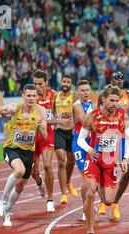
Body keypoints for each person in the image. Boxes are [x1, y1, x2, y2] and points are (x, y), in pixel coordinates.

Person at [0, 84, 47, 227]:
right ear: (23, 96)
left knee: (20, 186)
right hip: (11, 148)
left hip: (28, 151)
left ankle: (8, 209)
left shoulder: (41, 111)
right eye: (28, 95)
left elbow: (44, 136)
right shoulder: (15, 108)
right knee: (20, 170)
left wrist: (40, 127)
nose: (31, 98)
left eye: (33, 96)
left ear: (37, 97)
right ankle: (2, 200)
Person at [77, 85, 129, 234]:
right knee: (90, 192)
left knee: (108, 201)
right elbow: (81, 139)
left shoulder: (123, 116)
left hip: (110, 162)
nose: (115, 103)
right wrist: (89, 149)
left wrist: (124, 158)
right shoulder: (92, 116)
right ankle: (90, 231)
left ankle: (95, 186)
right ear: (104, 100)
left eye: (117, 100)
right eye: (112, 100)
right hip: (94, 159)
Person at [96, 71, 129, 220]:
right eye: (116, 78)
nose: (120, 80)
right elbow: (97, 113)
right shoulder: (103, 96)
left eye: (121, 78)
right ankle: (102, 201)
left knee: (128, 171)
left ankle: (115, 203)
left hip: (122, 137)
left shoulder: (128, 95)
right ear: (111, 80)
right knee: (101, 169)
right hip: (106, 137)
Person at [31, 70, 57, 212]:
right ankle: (39, 182)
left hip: (47, 135)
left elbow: (56, 110)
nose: (37, 87)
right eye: (35, 84)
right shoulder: (30, 97)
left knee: (47, 165)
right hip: (33, 137)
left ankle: (50, 199)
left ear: (46, 83)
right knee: (33, 171)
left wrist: (57, 119)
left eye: (40, 84)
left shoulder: (53, 94)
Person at [72, 79, 95, 220]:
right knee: (86, 178)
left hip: (91, 143)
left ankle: (89, 203)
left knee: (92, 178)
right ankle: (85, 209)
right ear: (78, 93)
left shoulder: (92, 104)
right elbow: (85, 122)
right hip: (80, 144)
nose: (85, 92)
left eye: (87, 90)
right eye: (82, 90)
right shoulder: (77, 106)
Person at [54, 74, 77, 205]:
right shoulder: (55, 96)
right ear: (61, 82)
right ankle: (63, 194)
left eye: (68, 82)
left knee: (71, 160)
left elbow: (81, 109)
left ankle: (68, 181)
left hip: (72, 132)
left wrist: (71, 114)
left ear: (71, 84)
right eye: (64, 81)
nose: (66, 83)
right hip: (59, 131)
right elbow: (51, 111)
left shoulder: (74, 96)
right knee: (61, 161)